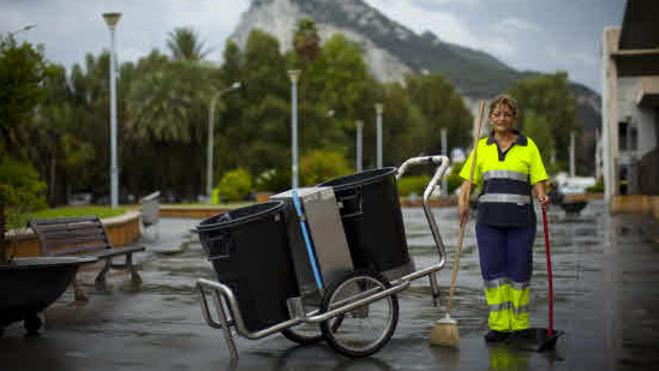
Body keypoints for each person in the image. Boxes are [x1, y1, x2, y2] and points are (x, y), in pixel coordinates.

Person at [458, 94, 549, 343]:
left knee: (519, 271)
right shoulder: (482, 147)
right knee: (493, 272)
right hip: (489, 222)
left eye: (506, 114)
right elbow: (468, 181)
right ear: (490, 118)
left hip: (521, 221)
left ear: (514, 118)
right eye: (497, 114)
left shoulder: (528, 146)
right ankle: (498, 325)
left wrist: (541, 195)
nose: (501, 118)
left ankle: (519, 324)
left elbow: (538, 176)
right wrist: (463, 201)